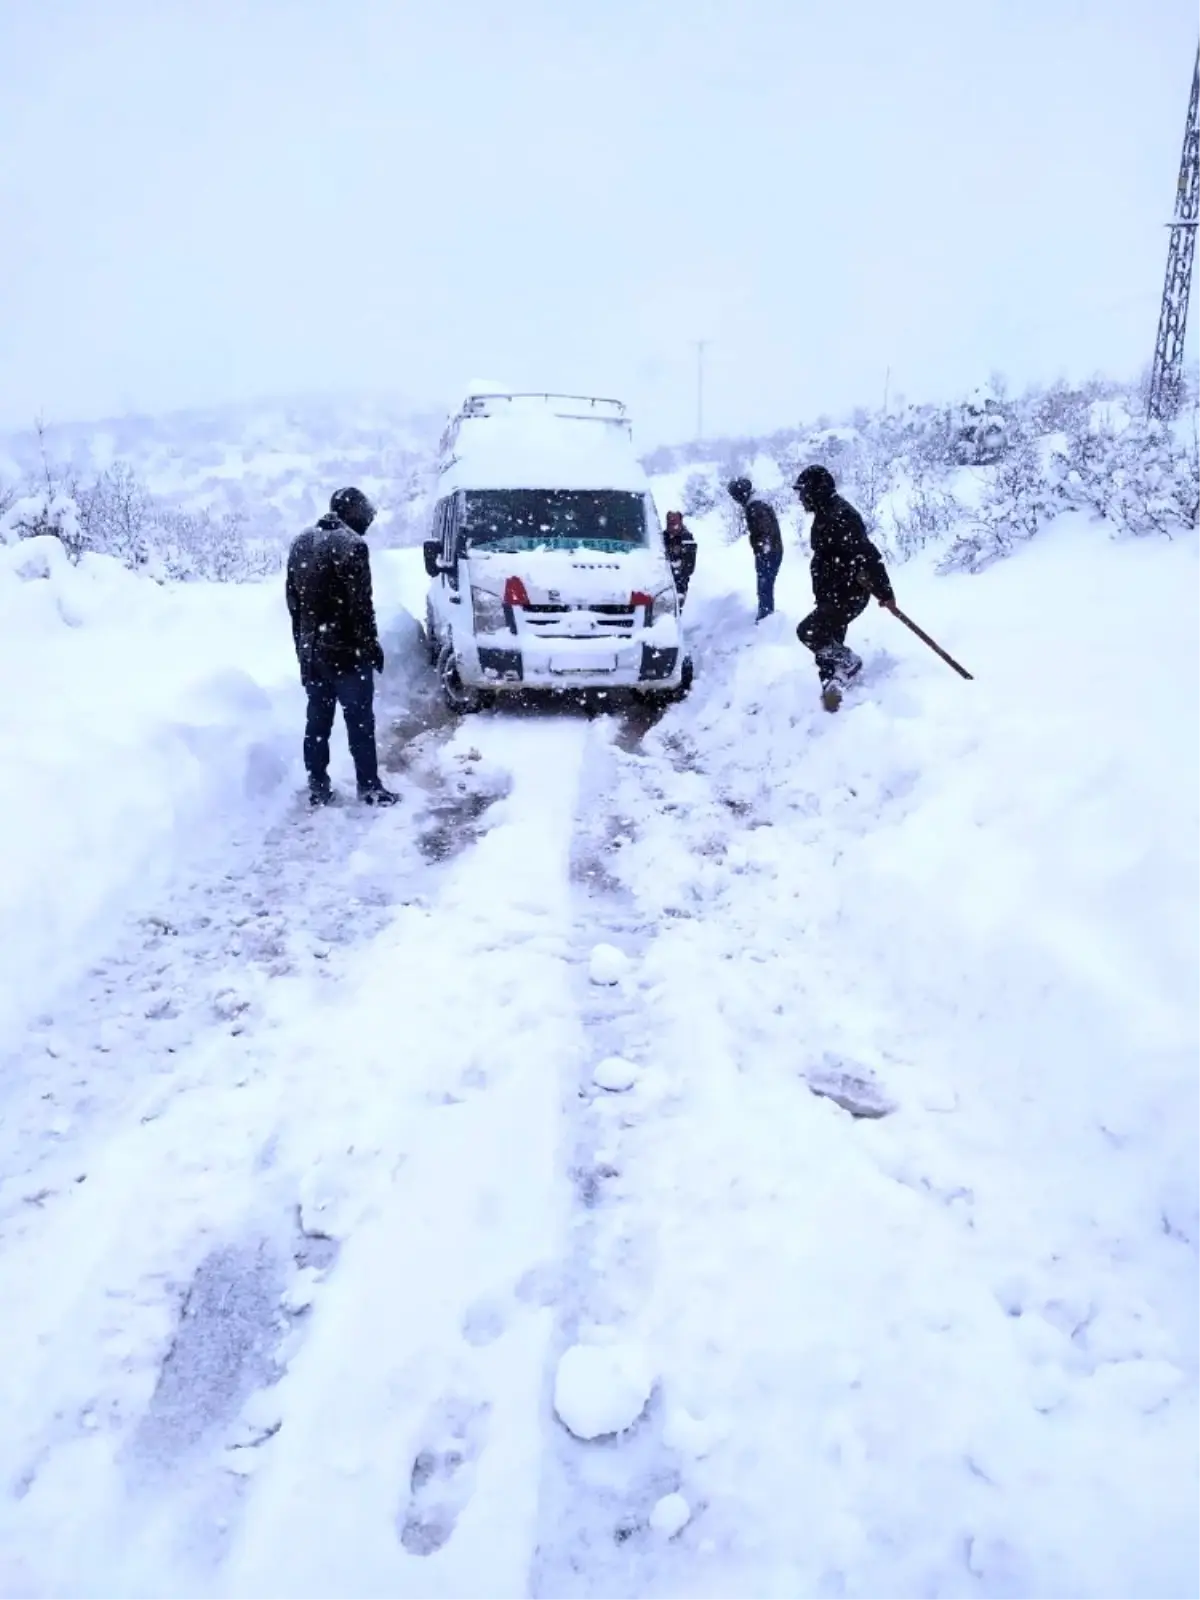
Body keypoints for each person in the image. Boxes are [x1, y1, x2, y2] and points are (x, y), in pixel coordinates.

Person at [286, 487, 399, 807]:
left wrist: (302, 650)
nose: (367, 523)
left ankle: (318, 786)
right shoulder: (352, 545)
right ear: (354, 514)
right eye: (365, 517)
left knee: (317, 722)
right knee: (360, 722)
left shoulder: (301, 542)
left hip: (312, 652)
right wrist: (371, 646)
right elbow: (360, 607)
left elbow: (293, 604)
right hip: (347, 653)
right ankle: (370, 787)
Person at [793, 464, 895, 710]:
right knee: (828, 645)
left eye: (803, 492)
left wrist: (886, 593)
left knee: (809, 631)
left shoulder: (841, 515)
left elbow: (869, 555)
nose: (800, 498)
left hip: (847, 594)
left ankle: (850, 663)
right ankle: (833, 685)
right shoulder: (826, 512)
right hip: (832, 593)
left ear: (816, 491)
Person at [726, 477, 783, 621]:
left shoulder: (755, 507)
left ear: (741, 494)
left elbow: (764, 529)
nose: (736, 500)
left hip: (768, 553)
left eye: (735, 496)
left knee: (764, 586)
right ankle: (766, 615)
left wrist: (764, 548)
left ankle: (766, 617)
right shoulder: (757, 504)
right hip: (771, 551)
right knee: (765, 585)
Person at [663, 510, 697, 606]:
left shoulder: (686, 538)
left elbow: (689, 566)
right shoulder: (663, 537)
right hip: (663, 581)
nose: (672, 525)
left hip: (680, 583)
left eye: (674, 522)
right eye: (669, 522)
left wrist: (677, 571)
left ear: (680, 522)